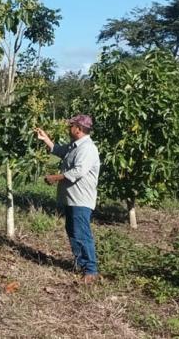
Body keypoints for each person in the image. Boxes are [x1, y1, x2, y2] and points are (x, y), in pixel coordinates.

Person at [34, 114, 101, 284]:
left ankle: (91, 270)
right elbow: (59, 150)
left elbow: (78, 171)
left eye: (71, 126)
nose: (68, 128)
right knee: (72, 231)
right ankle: (80, 264)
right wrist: (46, 139)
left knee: (81, 233)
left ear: (78, 129)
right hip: (72, 199)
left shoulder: (87, 149)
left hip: (81, 199)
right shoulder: (75, 146)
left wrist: (54, 178)